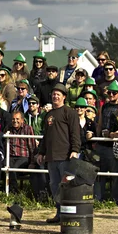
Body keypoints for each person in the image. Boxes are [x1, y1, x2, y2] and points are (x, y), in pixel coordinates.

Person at [36, 84, 80, 223]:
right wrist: (41, 152)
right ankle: (59, 213)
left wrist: (75, 150)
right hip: (51, 157)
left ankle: (69, 215)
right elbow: (45, 135)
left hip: (65, 156)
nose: (55, 96)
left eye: (58, 94)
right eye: (54, 94)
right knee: (54, 186)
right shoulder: (48, 115)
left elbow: (75, 133)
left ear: (64, 97)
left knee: (66, 187)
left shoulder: (70, 113)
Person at [7, 111, 40, 196]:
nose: (15, 121)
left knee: (13, 168)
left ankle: (14, 192)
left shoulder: (28, 128)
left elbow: (32, 146)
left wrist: (32, 162)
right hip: (10, 156)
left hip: (23, 156)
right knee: (6, 167)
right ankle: (9, 190)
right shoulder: (8, 128)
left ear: (22, 120)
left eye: (17, 119)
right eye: (13, 119)